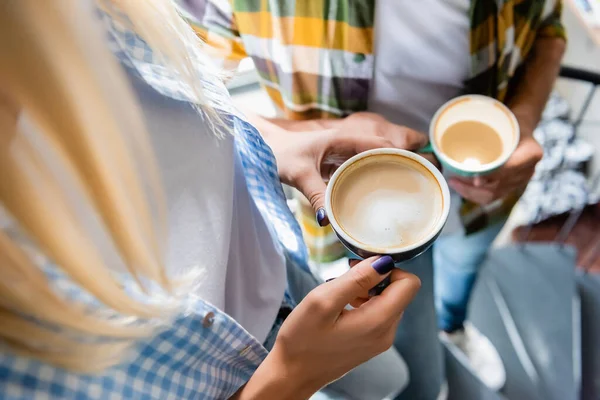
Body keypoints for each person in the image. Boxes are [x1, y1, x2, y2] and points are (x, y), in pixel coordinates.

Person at [0, 1, 423, 399]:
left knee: (387, 379)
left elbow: (165, 100)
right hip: (228, 368)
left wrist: (275, 144)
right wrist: (290, 378)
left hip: (273, 260)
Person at [181, 0, 566, 396]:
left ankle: (452, 327)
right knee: (409, 341)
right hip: (363, 214)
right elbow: (183, 96)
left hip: (487, 192)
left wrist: (522, 122)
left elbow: (550, 29)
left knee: (463, 272)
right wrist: (322, 130)